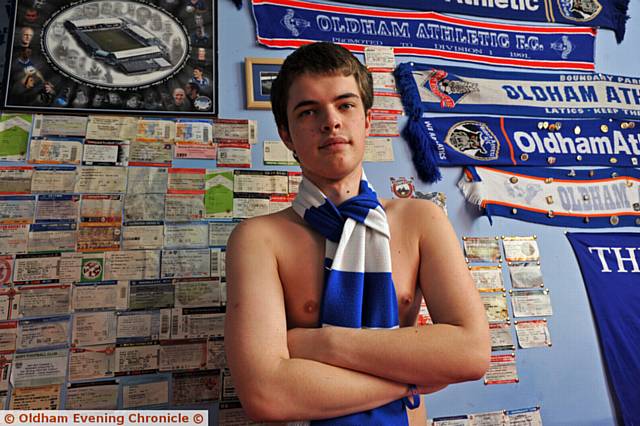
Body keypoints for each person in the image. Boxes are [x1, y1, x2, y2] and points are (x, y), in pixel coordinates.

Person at [224, 42, 490, 424]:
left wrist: (319, 343)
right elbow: (268, 396)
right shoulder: (258, 240)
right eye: (308, 111)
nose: (330, 121)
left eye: (345, 105)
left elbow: (471, 353)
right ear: (286, 134)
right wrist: (409, 384)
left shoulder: (421, 220)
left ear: (367, 121)